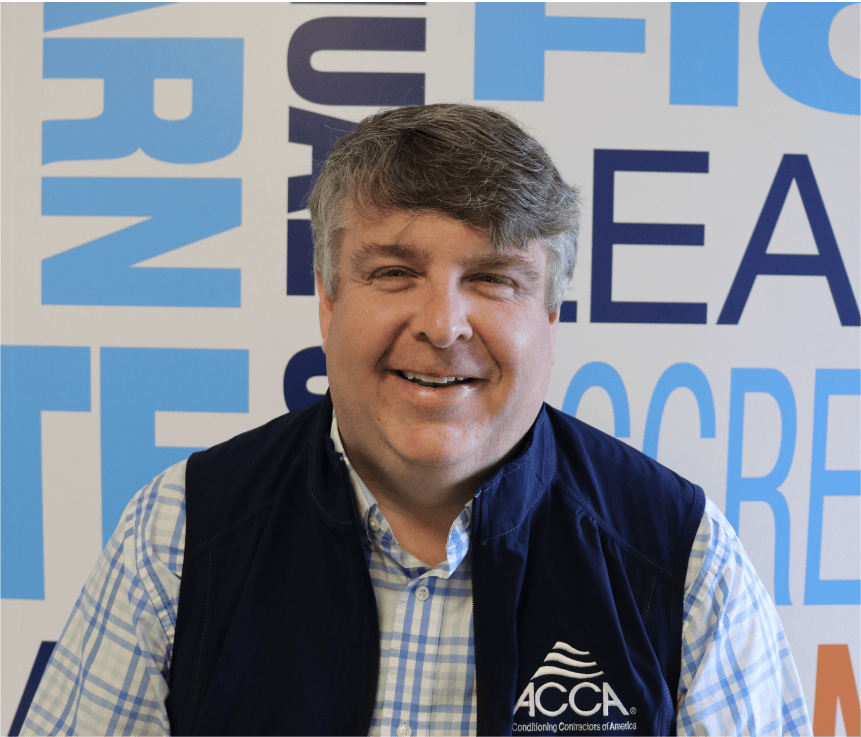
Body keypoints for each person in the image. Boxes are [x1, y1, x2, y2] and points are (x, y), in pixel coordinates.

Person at [23, 104, 810, 737]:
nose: (442, 325)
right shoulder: (180, 532)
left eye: (493, 278)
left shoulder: (682, 558)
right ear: (328, 299)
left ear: (549, 314)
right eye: (395, 271)